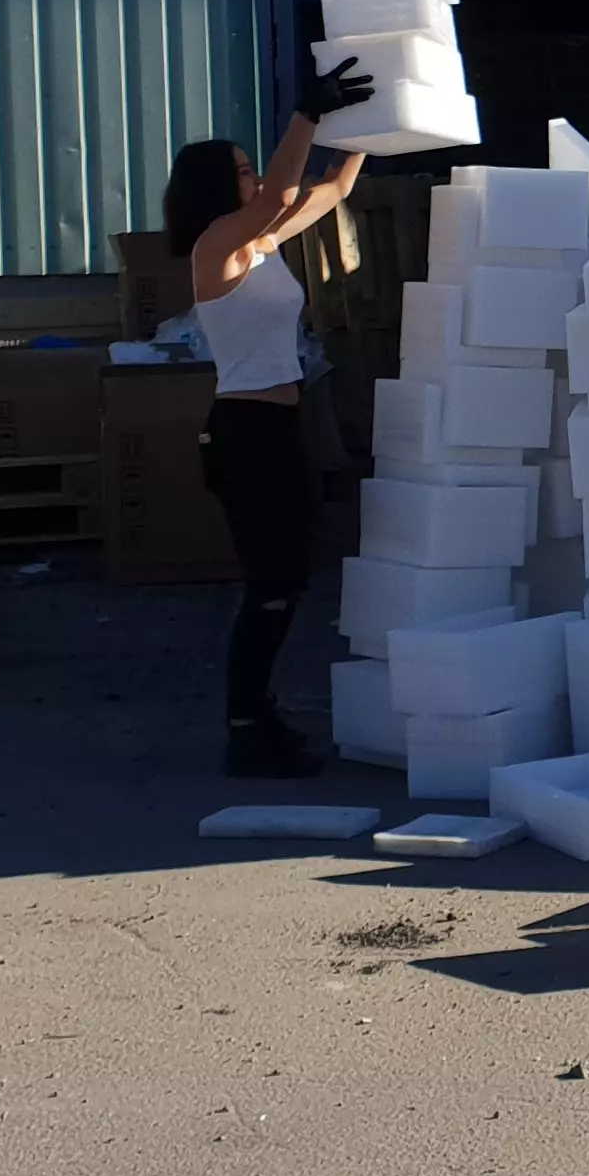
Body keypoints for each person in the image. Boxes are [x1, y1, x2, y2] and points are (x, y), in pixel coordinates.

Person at [163, 59, 374, 775]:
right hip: (244, 436)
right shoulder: (214, 247)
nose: (256, 178)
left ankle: (257, 717)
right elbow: (282, 190)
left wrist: (380, 117)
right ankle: (247, 726)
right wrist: (304, 115)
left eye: (254, 168)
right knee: (271, 584)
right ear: (217, 188)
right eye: (244, 170)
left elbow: (332, 188)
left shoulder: (260, 245)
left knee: (288, 579)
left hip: (279, 430)